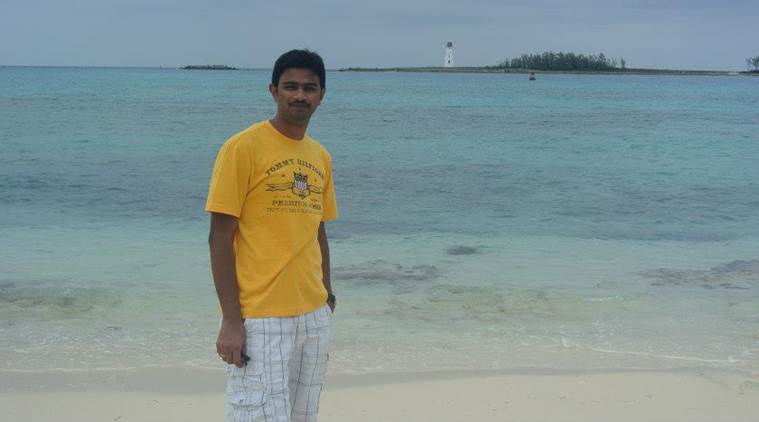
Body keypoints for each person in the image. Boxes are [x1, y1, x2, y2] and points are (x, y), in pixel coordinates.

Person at [205, 49, 338, 422]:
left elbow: (318, 229)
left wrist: (327, 294)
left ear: (321, 95)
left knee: (303, 415)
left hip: (313, 315)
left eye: (309, 88)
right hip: (261, 318)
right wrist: (232, 319)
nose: (300, 95)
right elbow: (219, 238)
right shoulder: (242, 147)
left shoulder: (320, 156)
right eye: (291, 86)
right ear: (274, 91)